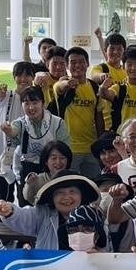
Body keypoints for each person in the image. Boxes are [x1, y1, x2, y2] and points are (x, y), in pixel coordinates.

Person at [0, 174, 100, 251]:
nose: (66, 197)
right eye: (60, 193)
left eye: (72, 191)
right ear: (52, 198)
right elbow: (23, 217)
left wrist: (98, 254)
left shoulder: (94, 216)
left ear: (82, 195)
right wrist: (9, 211)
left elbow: (105, 247)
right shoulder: (43, 214)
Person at [52, 47, 106, 180]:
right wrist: (68, 84)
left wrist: (100, 145)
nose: (77, 65)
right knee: (70, 184)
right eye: (73, 62)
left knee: (93, 185)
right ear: (67, 66)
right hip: (69, 149)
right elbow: (60, 87)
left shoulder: (94, 87)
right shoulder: (61, 84)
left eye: (81, 61)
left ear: (87, 64)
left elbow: (99, 116)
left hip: (91, 148)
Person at [0, 60, 38, 203]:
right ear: (14, 77)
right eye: (19, 75)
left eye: (27, 75)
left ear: (33, 77)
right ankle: (2, 217)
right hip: (2, 152)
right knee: (2, 196)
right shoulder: (6, 95)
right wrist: (0, 94)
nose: (23, 79)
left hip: (25, 154)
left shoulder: (37, 98)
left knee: (25, 195)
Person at [21, 140, 73, 207]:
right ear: (46, 161)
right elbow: (28, 198)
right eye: (54, 158)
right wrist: (30, 185)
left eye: (62, 158)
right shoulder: (38, 179)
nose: (58, 162)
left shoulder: (74, 178)